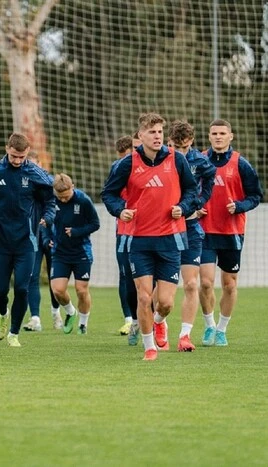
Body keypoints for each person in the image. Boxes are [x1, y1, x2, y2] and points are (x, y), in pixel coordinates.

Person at [102, 112, 197, 361]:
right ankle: (149, 348)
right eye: (152, 132)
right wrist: (120, 210)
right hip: (139, 240)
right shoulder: (127, 164)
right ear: (141, 135)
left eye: (159, 132)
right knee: (144, 296)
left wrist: (183, 208)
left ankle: (159, 322)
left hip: (170, 238)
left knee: (164, 303)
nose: (157, 136)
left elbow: (192, 191)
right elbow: (109, 194)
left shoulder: (177, 160)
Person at [0, 132, 56, 348]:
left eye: (21, 157)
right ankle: (3, 313)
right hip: (0, 241)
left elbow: (50, 200)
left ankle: (13, 333)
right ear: (6, 149)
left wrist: (47, 218)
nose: (17, 161)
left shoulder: (36, 173)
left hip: (26, 242)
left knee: (22, 288)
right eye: (13, 156)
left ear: (27, 153)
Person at [198, 119, 263, 347]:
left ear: (230, 137)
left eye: (222, 133)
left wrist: (239, 206)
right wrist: (196, 206)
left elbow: (256, 195)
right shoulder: (199, 160)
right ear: (209, 136)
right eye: (214, 133)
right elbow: (187, 189)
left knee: (229, 285)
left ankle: (222, 330)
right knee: (205, 283)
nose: (218, 137)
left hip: (232, 232)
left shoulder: (241, 164)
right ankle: (209, 326)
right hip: (204, 231)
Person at [167, 121, 215, 351]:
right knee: (162, 288)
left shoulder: (201, 161)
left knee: (191, 283)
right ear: (170, 143)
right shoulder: (163, 160)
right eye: (178, 147)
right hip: (164, 228)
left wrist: (195, 204)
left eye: (185, 147)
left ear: (192, 142)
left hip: (191, 226)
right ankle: (159, 324)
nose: (182, 152)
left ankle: (185, 336)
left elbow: (209, 184)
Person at [48, 173, 100, 334]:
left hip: (81, 252)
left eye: (66, 196)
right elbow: (45, 222)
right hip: (60, 252)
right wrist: (47, 239)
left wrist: (77, 232)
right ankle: (71, 311)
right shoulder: (51, 200)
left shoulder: (83, 200)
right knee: (57, 289)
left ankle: (83, 324)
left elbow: (95, 224)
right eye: (60, 197)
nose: (63, 200)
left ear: (73, 187)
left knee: (81, 290)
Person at [23, 149, 61, 332]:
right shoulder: (23, 185)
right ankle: (35, 318)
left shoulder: (52, 183)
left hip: (53, 237)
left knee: (55, 278)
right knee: (32, 276)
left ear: (40, 165)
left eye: (33, 165)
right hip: (34, 235)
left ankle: (56, 314)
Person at [112, 135, 135, 336]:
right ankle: (129, 320)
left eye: (127, 156)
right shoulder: (117, 168)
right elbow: (110, 195)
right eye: (120, 157)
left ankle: (150, 319)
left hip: (148, 229)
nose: (124, 161)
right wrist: (120, 209)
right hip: (123, 229)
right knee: (124, 273)